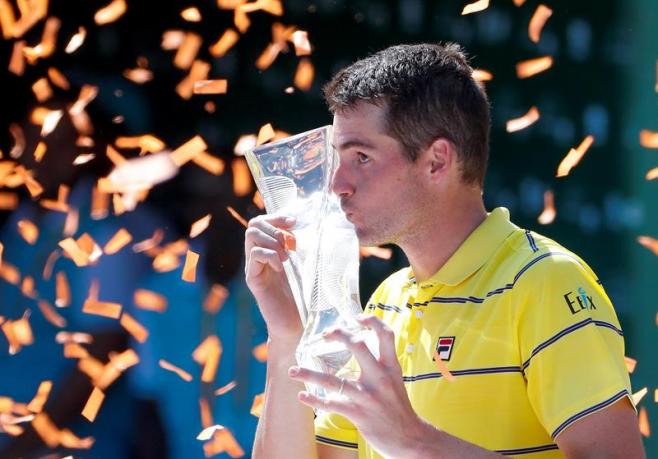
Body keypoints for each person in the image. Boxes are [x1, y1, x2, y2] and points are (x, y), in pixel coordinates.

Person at [244, 43, 645, 458]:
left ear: (437, 161)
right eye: (338, 158)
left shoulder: (546, 280)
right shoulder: (384, 306)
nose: (337, 184)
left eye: (361, 157)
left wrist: (413, 441)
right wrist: (287, 335)